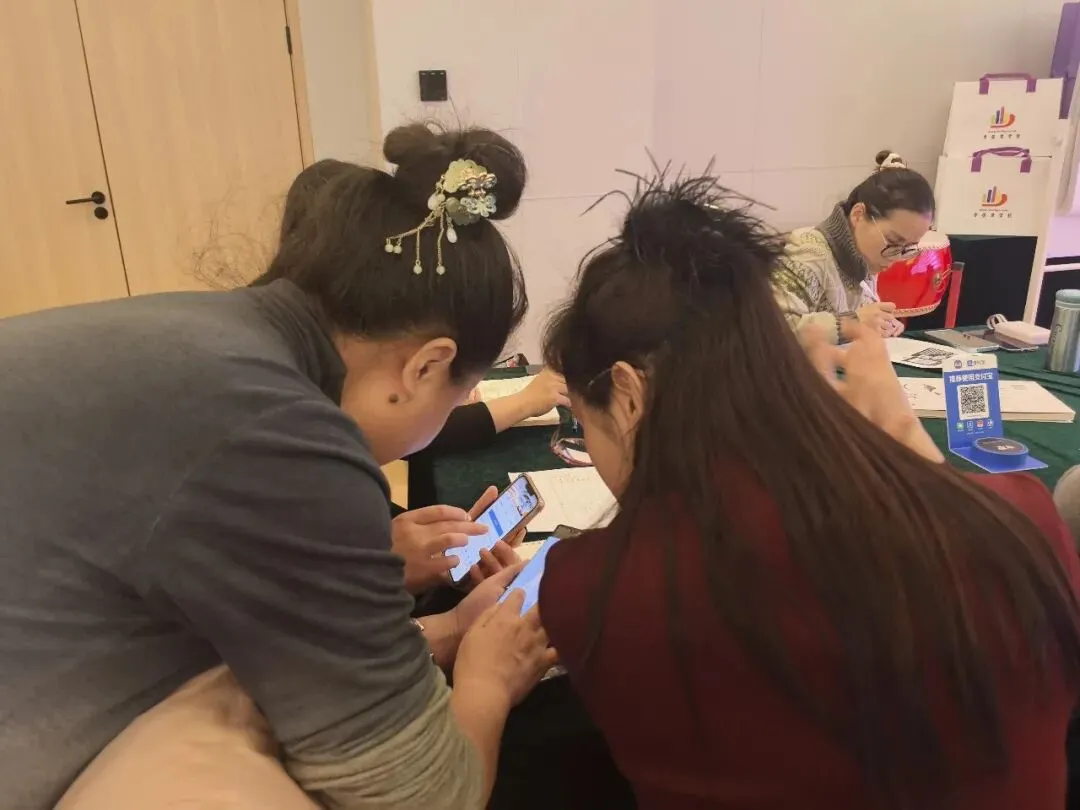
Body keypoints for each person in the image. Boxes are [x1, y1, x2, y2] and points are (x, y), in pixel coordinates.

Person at [0, 123, 557, 809]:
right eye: (459, 396)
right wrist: (489, 680)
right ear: (425, 366)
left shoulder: (191, 336)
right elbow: (427, 796)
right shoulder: (283, 433)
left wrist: (438, 627)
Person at [537, 171, 1080, 810]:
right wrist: (909, 439)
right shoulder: (1026, 520)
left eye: (584, 420)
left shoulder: (592, 591)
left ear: (628, 395)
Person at [773, 150, 935, 342]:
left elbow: (863, 319)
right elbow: (774, 331)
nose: (895, 257)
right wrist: (852, 324)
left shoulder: (864, 256)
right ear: (858, 215)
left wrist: (881, 324)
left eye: (907, 248)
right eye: (892, 242)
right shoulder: (809, 251)